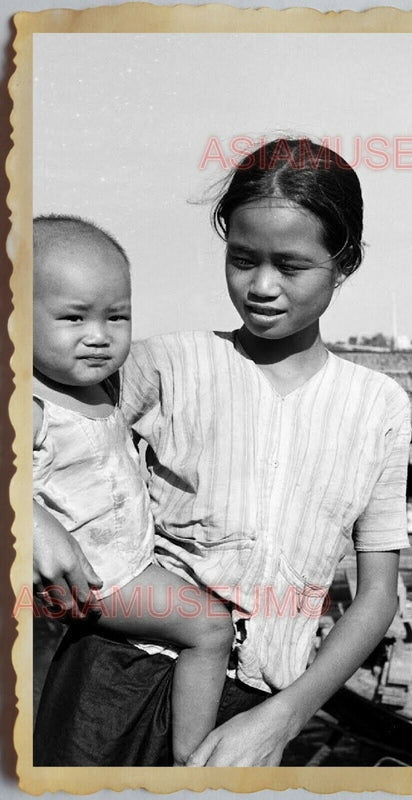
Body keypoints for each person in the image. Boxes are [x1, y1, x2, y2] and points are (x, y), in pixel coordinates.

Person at [33, 138, 411, 767]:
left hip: (258, 716)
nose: (261, 285)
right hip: (115, 683)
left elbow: (377, 597)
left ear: (345, 263)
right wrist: (26, 516)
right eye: (242, 259)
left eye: (290, 266)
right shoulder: (162, 365)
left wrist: (284, 718)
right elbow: (34, 419)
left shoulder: (379, 408)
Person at [32, 215, 234, 766]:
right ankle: (193, 758)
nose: (99, 335)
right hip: (98, 578)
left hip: (117, 565)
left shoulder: (98, 388)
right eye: (73, 318)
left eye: (116, 317)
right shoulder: (31, 402)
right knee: (212, 628)